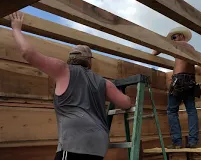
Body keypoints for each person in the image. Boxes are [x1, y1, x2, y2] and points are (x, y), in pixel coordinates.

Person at [9, 11, 132, 160]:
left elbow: (28, 52)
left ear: (70, 58)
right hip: (98, 146)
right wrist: (121, 91)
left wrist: (16, 28)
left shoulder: (62, 69)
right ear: (89, 62)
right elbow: (126, 103)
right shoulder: (103, 82)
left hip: (75, 142)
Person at [152, 27, 199, 149]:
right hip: (191, 80)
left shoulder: (178, 44)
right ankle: (193, 141)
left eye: (174, 36)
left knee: (172, 111)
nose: (173, 39)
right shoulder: (191, 48)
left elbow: (154, 52)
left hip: (179, 79)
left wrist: (168, 40)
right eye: (173, 38)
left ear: (181, 37)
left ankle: (177, 142)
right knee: (191, 110)